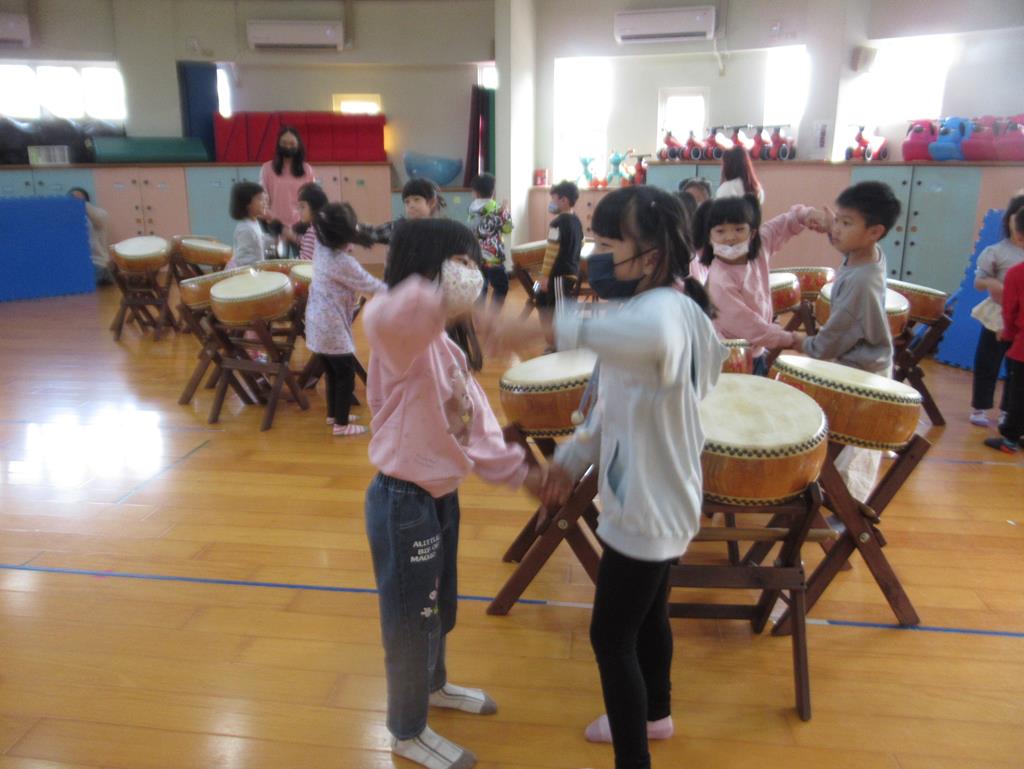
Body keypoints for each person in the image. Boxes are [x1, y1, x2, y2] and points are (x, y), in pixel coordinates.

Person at [488, 185, 727, 769]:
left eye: (606, 245)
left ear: (649, 257)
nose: (595, 256)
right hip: (661, 499)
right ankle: (656, 715)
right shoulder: (664, 306)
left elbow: (649, 340)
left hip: (646, 508)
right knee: (648, 616)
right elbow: (610, 410)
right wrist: (568, 463)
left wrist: (545, 326)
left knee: (610, 637)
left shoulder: (662, 314)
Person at [361, 217, 544, 769]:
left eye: (473, 263)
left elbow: (475, 421)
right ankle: (406, 729)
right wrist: (461, 304)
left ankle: (434, 685)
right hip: (403, 500)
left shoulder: (444, 345)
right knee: (409, 620)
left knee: (438, 605)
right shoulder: (400, 333)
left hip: (439, 496)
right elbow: (384, 312)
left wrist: (523, 474)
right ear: (425, 268)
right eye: (460, 263)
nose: (472, 274)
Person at [797, 181, 902, 500]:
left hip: (863, 373)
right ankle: (830, 495)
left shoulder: (862, 284)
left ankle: (844, 509)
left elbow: (828, 343)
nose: (837, 230)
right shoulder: (866, 253)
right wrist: (833, 225)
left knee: (852, 455)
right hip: (858, 360)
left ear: (875, 231)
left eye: (846, 223)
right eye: (838, 220)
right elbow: (846, 242)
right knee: (842, 446)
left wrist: (796, 340)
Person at [693, 194, 831, 373]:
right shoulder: (719, 280)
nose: (730, 237)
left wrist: (807, 215)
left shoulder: (759, 248)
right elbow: (750, 327)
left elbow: (783, 225)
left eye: (738, 229)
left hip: (755, 350)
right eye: (720, 231)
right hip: (729, 359)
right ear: (709, 238)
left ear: (752, 233)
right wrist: (791, 339)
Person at [305, 202, 386, 437]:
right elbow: (372, 286)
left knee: (332, 372)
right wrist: (406, 292)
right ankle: (341, 425)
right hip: (332, 327)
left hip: (316, 323)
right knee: (345, 375)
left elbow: (328, 225)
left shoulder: (321, 248)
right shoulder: (343, 263)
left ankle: (333, 415)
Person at [970, 195, 1024, 427]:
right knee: (988, 362)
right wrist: (994, 284)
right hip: (997, 316)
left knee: (1015, 368)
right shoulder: (997, 251)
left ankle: (1007, 410)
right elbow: (979, 282)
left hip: (1019, 319)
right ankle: (980, 407)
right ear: (1010, 220)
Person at [537, 180, 584, 347]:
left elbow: (551, 251)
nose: (551, 203)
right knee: (542, 297)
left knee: (559, 311)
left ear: (564, 200)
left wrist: (544, 276)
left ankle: (558, 345)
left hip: (558, 275)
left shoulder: (557, 223)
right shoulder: (576, 221)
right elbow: (581, 243)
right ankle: (556, 342)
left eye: (554, 199)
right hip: (571, 273)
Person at [985, 254, 1024, 454]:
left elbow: (1010, 311)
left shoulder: (1017, 273)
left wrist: (1009, 334)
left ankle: (1010, 440)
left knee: (1019, 394)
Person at [467, 173, 513, 306]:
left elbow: (473, 229)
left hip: (476, 255)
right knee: (501, 286)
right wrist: (505, 211)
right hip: (493, 258)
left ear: (475, 192)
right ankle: (493, 314)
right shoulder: (497, 208)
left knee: (481, 287)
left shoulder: (471, 209)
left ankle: (479, 315)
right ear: (493, 191)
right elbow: (507, 229)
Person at [260, 126, 316, 232]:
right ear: (278, 144)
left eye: (292, 143)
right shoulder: (266, 168)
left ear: (298, 145)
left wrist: (303, 223)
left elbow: (312, 199)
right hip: (274, 225)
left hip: (300, 226)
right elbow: (263, 197)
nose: (288, 146)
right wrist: (272, 220)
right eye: (284, 143)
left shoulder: (307, 169)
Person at [362, 177, 447, 245]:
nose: (411, 205)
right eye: (407, 202)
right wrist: (357, 228)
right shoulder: (398, 228)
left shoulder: (442, 230)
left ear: (432, 203)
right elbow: (373, 234)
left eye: (417, 199)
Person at [226, 181, 274, 268]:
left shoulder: (253, 222)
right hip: (247, 273)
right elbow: (242, 260)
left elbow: (258, 240)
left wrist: (273, 240)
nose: (264, 203)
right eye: (260, 199)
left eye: (264, 199)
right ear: (247, 204)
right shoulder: (245, 229)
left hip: (255, 270)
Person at [68, 187, 111, 284]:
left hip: (98, 265)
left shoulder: (100, 214)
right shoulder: (68, 219)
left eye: (77, 198)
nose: (74, 200)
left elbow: (98, 219)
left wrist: (82, 204)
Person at [294, 182, 329, 260]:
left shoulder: (313, 231)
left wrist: (288, 264)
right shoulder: (322, 227)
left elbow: (304, 261)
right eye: (298, 207)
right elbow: (307, 242)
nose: (299, 211)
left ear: (315, 207)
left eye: (302, 207)